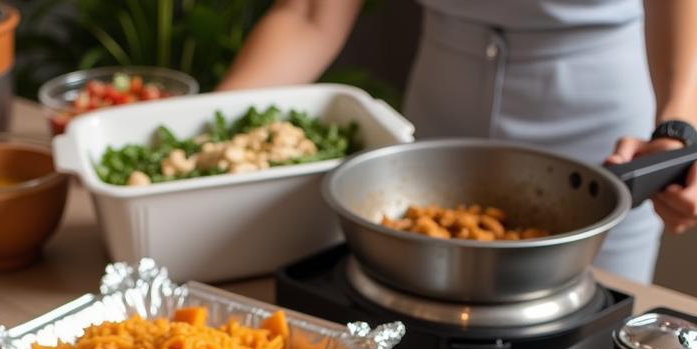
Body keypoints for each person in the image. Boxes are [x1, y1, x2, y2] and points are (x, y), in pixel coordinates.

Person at [218, 0, 697, 282]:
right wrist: (201, 129)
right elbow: (309, 14)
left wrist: (678, 128)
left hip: (600, 137)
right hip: (438, 123)